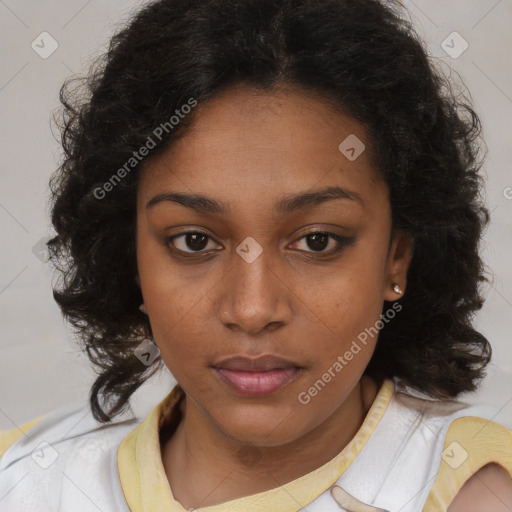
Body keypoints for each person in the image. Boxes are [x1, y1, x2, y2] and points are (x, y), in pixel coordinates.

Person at [1, 0, 511, 510]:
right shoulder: (26, 480)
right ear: (130, 256)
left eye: (317, 241)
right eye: (194, 241)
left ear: (395, 258)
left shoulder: (476, 491)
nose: (252, 309)